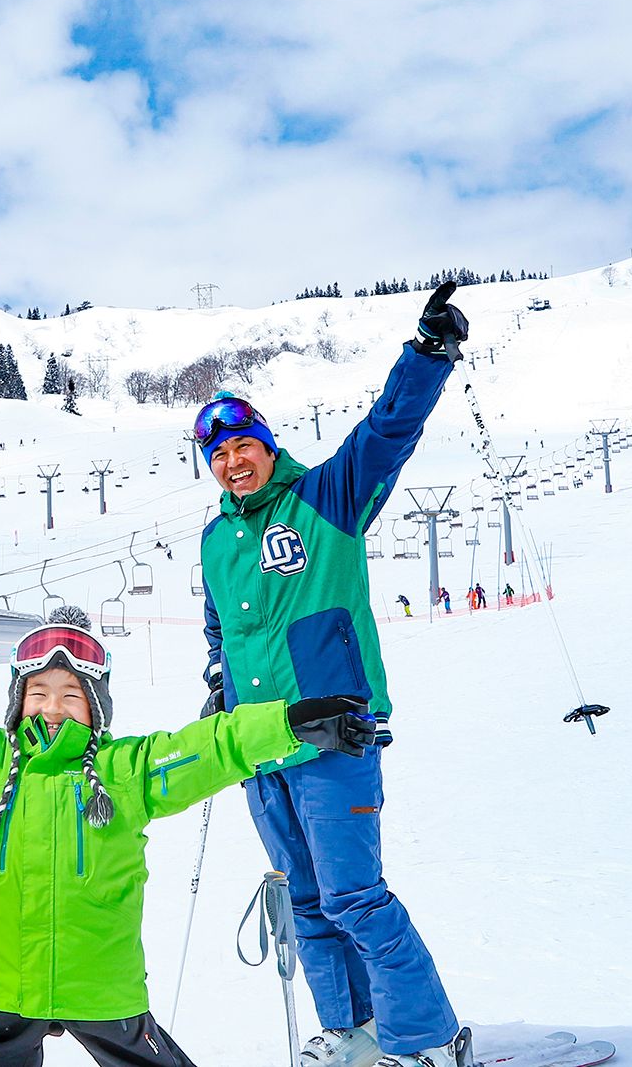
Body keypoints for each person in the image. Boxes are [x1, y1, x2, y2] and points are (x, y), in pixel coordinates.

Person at [0, 564, 376, 1067]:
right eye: (39, 692)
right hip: (6, 984)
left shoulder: (124, 771)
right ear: (19, 700)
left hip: (101, 985)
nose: (52, 706)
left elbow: (211, 746)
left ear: (95, 706)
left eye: (71, 693)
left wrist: (291, 725)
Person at [190, 283, 472, 1067]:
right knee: (307, 905)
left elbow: (386, 433)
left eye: (241, 444)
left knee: (355, 898)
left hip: (334, 738)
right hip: (257, 751)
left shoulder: (326, 498)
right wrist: (218, 673)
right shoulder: (215, 541)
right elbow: (220, 626)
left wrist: (427, 355)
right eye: (216, 455)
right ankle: (351, 1033)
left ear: (266, 443)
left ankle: (427, 1041)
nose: (231, 461)